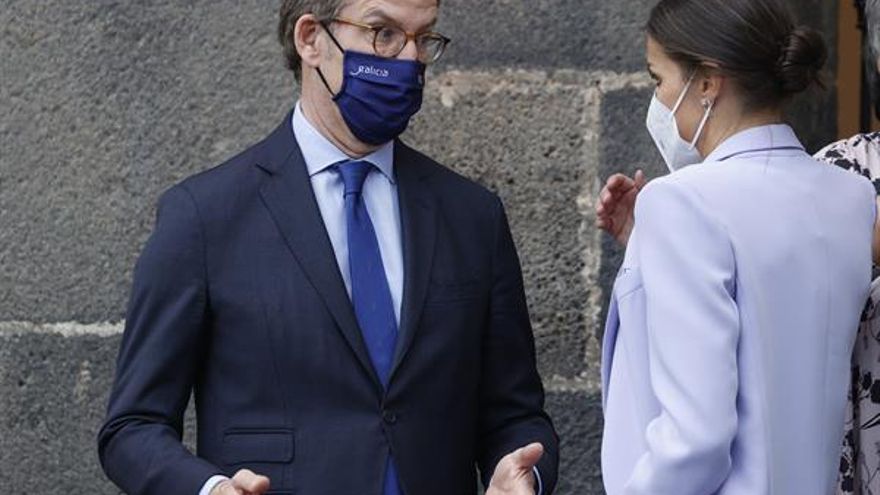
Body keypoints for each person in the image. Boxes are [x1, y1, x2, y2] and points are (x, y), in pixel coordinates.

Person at [96, 1, 559, 494]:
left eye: (422, 39)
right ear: (310, 39)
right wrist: (210, 489)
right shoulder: (205, 216)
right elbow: (132, 428)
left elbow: (516, 415)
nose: (407, 59)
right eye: (382, 33)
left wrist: (522, 477)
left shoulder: (471, 216)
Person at [598, 0, 876, 493]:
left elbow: (696, 439)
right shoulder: (850, 197)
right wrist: (648, 247)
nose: (658, 100)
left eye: (657, 80)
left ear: (707, 82)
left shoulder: (680, 203)